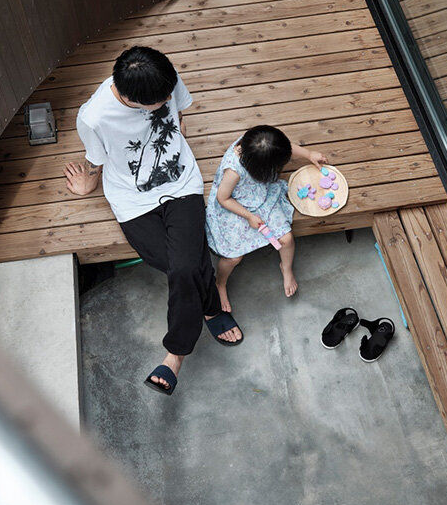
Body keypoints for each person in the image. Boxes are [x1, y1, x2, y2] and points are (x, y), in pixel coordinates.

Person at [63, 45, 242, 396]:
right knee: (182, 265)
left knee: (184, 267)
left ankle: (175, 355)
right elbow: (96, 158)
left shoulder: (162, 78)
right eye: (159, 101)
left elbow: (179, 113)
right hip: (131, 199)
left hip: (181, 183)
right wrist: (89, 181)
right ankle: (209, 307)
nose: (168, 100)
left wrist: (175, 129)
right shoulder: (94, 117)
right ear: (131, 99)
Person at [206, 125, 327, 311]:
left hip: (261, 196)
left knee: (287, 239)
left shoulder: (261, 142)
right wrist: (248, 216)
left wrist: (308, 154)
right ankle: (220, 283)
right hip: (236, 205)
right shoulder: (234, 171)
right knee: (233, 257)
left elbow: (286, 148)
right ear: (261, 168)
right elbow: (223, 198)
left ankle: (286, 268)